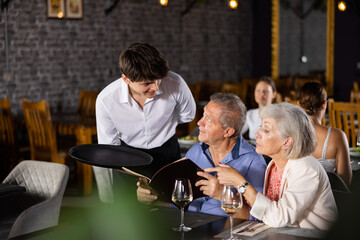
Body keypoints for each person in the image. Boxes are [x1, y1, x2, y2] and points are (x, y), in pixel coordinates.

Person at [206, 103, 337, 230]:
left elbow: (279, 218)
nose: (257, 134)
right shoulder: (274, 164)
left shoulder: (306, 168)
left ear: (287, 142)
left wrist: (240, 182)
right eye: (260, 127)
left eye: (266, 130)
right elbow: (264, 212)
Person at [137, 93, 267, 219]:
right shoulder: (194, 152)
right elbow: (181, 204)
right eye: (203, 115)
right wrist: (152, 199)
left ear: (228, 131)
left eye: (208, 119)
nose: (199, 122)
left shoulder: (254, 162)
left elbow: (257, 219)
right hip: (189, 226)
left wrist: (222, 195)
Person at [94, 42, 196, 203]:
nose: (155, 87)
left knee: (175, 210)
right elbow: (108, 146)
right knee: (129, 215)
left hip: (167, 153)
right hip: (127, 158)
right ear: (126, 79)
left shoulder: (176, 83)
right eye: (147, 83)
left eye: (158, 80)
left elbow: (187, 115)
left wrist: (164, 126)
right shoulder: (106, 100)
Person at [298, 82, 352, 186]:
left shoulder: (290, 135)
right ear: (324, 104)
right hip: (330, 199)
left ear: (299, 104)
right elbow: (345, 182)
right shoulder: (337, 136)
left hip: (298, 200)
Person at [241, 76, 277, 140]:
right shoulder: (250, 114)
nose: (261, 94)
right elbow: (237, 133)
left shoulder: (278, 116)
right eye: (258, 90)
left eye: (265, 91)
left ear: (274, 94)